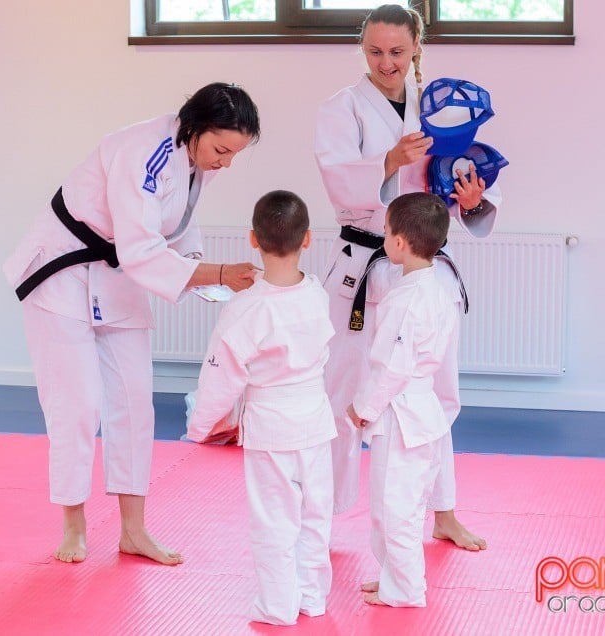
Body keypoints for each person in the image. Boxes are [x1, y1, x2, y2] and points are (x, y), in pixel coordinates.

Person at [2, 83, 261, 566]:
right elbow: (140, 250)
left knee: (135, 403)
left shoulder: (192, 160)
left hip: (116, 278)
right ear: (194, 128)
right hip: (62, 273)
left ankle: (133, 531)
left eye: (234, 155)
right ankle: (74, 527)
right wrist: (219, 273)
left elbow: (180, 226)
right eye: (221, 150)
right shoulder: (144, 151)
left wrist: (204, 273)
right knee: (77, 405)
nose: (225, 163)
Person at [315, 4, 501, 551]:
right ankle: (321, 517)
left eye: (397, 51)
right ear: (362, 48)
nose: (386, 62)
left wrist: (473, 200)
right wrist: (387, 160)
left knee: (436, 387)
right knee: (343, 390)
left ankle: (442, 511)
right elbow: (338, 182)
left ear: (417, 46)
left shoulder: (440, 108)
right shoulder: (341, 108)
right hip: (362, 262)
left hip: (424, 269)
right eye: (375, 51)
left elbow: (463, 181)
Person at [187, 190, 336, 625]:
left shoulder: (246, 308)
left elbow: (221, 375)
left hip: (271, 427)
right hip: (315, 421)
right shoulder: (317, 294)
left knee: (274, 520)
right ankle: (312, 597)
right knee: (314, 515)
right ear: (308, 239)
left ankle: (277, 605)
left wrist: (202, 424)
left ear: (253, 240)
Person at [346, 192, 459, 607]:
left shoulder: (409, 298)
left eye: (387, 231)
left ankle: (407, 589)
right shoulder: (435, 289)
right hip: (415, 410)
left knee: (397, 509)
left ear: (399, 243)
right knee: (392, 505)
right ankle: (394, 576)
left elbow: (393, 367)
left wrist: (363, 408)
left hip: (402, 414)